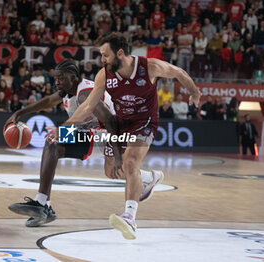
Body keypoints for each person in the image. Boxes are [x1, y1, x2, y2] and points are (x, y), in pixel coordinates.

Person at [47, 33, 201, 240]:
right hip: (121, 124)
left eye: (105, 55)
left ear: (120, 53)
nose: (102, 60)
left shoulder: (150, 66)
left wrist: (194, 92)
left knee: (129, 161)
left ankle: (129, 217)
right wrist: (63, 129)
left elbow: (179, 72)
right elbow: (88, 106)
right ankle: (149, 178)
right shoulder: (104, 75)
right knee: (112, 172)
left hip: (145, 123)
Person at [5, 60, 164, 227]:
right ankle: (148, 177)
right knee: (108, 171)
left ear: (73, 77)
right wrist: (19, 113)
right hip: (98, 132)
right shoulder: (67, 91)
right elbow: (48, 102)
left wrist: (117, 156)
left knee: (56, 143)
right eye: (56, 78)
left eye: (61, 78)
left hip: (114, 132)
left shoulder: (84, 93)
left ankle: (42, 204)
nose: (57, 82)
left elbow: (109, 120)